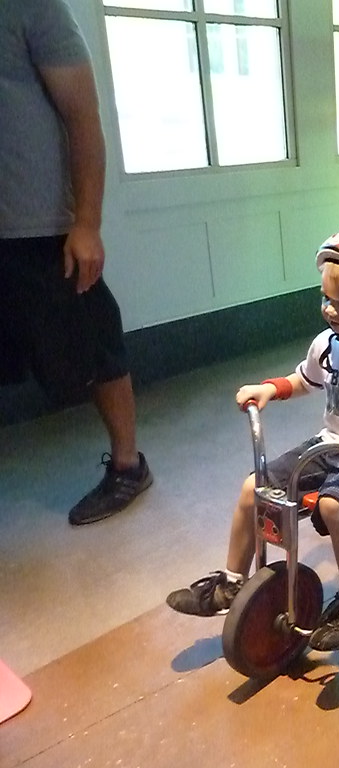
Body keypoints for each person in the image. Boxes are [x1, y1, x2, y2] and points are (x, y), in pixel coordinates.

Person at [166, 228, 339, 652]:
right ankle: (233, 584)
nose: (330, 310)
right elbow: (303, 379)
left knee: (333, 504)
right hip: (332, 444)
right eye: (325, 298)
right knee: (254, 487)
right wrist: (270, 388)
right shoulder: (327, 344)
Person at [0, 0, 153, 525]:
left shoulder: (30, 6)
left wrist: (86, 222)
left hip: (38, 224)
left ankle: (129, 466)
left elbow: (83, 115)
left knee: (91, 347)